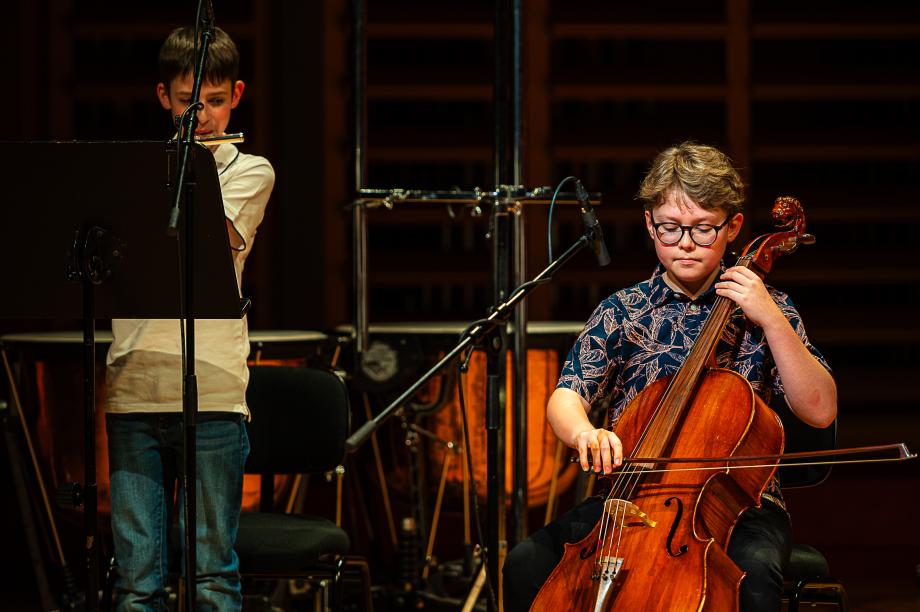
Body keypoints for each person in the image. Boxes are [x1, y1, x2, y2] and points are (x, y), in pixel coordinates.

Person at [502, 142, 837, 612]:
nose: (684, 243)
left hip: (739, 505)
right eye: (669, 229)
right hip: (630, 498)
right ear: (648, 224)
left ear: (733, 227)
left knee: (754, 573)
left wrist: (772, 320)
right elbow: (566, 395)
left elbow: (820, 411)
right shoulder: (622, 311)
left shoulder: (770, 309)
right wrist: (585, 432)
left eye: (702, 229)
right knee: (524, 563)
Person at [105, 26, 274, 610]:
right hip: (134, 385)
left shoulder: (250, 170)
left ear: (237, 96)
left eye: (215, 102)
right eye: (186, 102)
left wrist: (188, 164)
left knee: (211, 579)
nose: (200, 116)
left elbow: (214, 244)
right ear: (162, 97)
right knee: (135, 585)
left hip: (215, 390)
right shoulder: (128, 174)